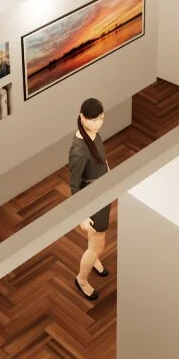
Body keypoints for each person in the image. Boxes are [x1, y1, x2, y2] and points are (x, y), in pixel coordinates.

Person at [68, 97, 111, 301]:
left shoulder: (92, 133)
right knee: (98, 245)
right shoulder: (78, 150)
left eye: (101, 118)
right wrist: (82, 216)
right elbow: (74, 186)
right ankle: (82, 280)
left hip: (102, 191)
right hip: (92, 200)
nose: (98, 123)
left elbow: (101, 159)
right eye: (93, 120)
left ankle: (93, 258)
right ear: (82, 117)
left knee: (94, 243)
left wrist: (108, 170)